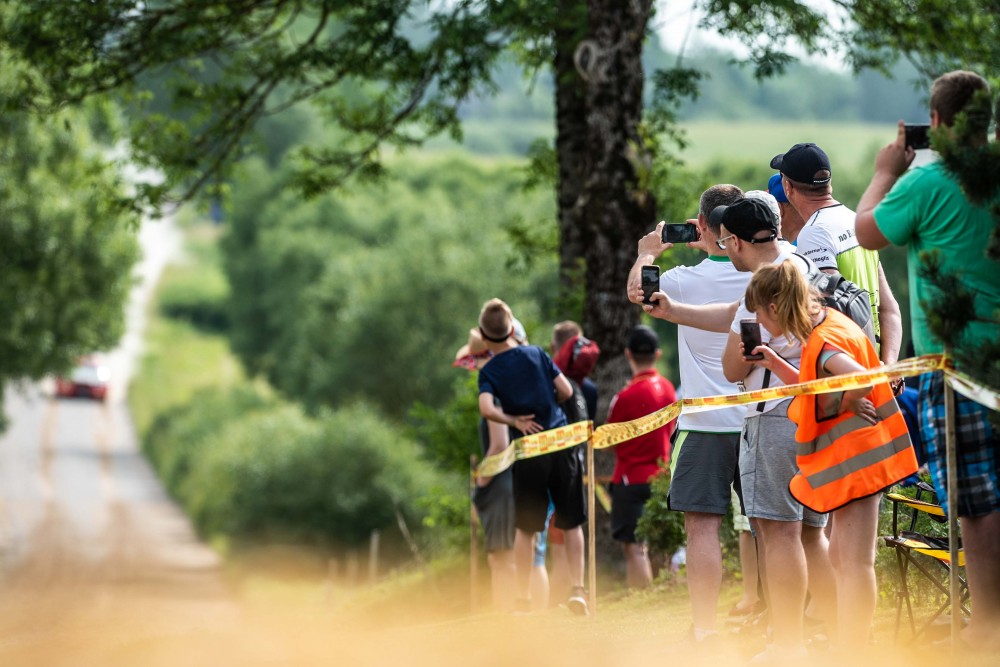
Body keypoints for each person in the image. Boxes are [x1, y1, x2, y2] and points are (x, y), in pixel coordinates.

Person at [635, 197, 836, 659]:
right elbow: (731, 311)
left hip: (771, 413)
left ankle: (787, 641)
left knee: (778, 532)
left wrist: (648, 256)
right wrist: (675, 313)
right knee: (810, 532)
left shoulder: (761, 284)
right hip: (814, 409)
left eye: (729, 244)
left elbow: (731, 365)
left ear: (738, 240)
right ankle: (830, 630)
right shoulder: (798, 263)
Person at [855, 69, 1000, 652]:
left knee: (977, 503)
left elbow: (866, 232)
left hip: (955, 366)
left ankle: (987, 627)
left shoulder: (927, 181)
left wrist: (885, 174)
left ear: (934, 123)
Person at [743, 260, 918, 652]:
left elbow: (858, 378)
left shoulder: (824, 341)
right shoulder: (827, 325)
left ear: (774, 308)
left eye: (758, 312)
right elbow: (813, 385)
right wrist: (774, 363)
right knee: (842, 558)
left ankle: (854, 650)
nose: (759, 321)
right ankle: (849, 644)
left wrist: (848, 399)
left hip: (859, 457)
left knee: (855, 564)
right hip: (856, 457)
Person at [626, 184, 750, 643]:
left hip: (703, 423)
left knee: (702, 530)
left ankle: (705, 627)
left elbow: (637, 291)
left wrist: (648, 253)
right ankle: (775, 618)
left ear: (699, 226)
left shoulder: (680, 280)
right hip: (760, 415)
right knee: (771, 526)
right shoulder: (770, 274)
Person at [476, 298, 590, 615]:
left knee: (526, 529)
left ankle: (523, 599)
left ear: (484, 339)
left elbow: (486, 408)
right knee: (571, 522)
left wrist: (514, 420)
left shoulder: (489, 372)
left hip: (529, 451)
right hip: (560, 443)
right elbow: (566, 391)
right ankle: (578, 589)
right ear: (513, 328)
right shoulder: (537, 354)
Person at [770, 142, 902, 367]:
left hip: (849, 369)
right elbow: (889, 308)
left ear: (787, 186)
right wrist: (887, 367)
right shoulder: (856, 220)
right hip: (872, 364)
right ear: (829, 183)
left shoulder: (814, 232)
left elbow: (833, 312)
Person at [605, 325, 677, 588]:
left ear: (628, 354)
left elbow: (610, 439)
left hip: (630, 478)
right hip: (661, 476)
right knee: (662, 544)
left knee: (634, 547)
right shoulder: (669, 389)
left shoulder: (623, 397)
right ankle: (664, 593)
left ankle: (642, 597)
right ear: (658, 354)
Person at [455, 328, 517, 612]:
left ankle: (503, 613)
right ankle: (504, 611)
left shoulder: (494, 389)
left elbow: (499, 443)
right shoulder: (508, 384)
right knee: (502, 554)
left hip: (500, 480)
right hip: (508, 478)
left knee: (501, 556)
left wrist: (482, 478)